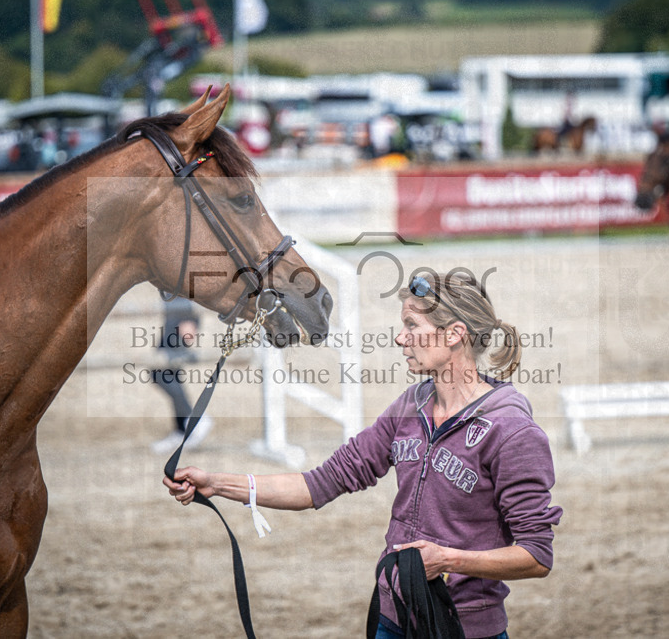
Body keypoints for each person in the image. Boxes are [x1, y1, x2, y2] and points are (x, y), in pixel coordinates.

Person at [165, 271, 562, 638]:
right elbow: (319, 484)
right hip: (392, 619)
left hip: (465, 628)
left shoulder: (512, 431)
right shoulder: (410, 406)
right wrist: (216, 484)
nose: (400, 339)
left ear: (455, 333)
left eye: (412, 326)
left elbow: (536, 556)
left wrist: (447, 559)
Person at [150, 296, 211, 454]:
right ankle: (181, 430)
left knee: (159, 373)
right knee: (170, 374)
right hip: (172, 318)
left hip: (178, 320)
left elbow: (186, 287)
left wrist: (189, 320)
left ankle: (194, 418)